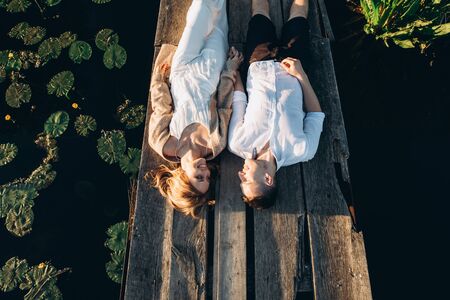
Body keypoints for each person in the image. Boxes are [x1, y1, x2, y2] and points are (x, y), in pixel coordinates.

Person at [148, 0, 243, 217]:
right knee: (219, 21)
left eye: (198, 177)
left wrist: (159, 78)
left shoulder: (162, 143)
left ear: (182, 176)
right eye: (208, 177)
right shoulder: (215, 144)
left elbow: (161, 105)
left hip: (181, 70)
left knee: (200, 10)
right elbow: (224, 103)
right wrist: (230, 69)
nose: (205, 172)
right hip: (211, 70)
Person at [228, 0, 325, 209]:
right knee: (299, 13)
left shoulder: (237, 143)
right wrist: (301, 75)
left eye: (240, 179)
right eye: (246, 180)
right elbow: (316, 114)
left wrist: (234, 70)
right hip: (294, 63)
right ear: (268, 180)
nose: (240, 174)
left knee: (260, 11)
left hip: (258, 61)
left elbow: (239, 100)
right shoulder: (302, 150)